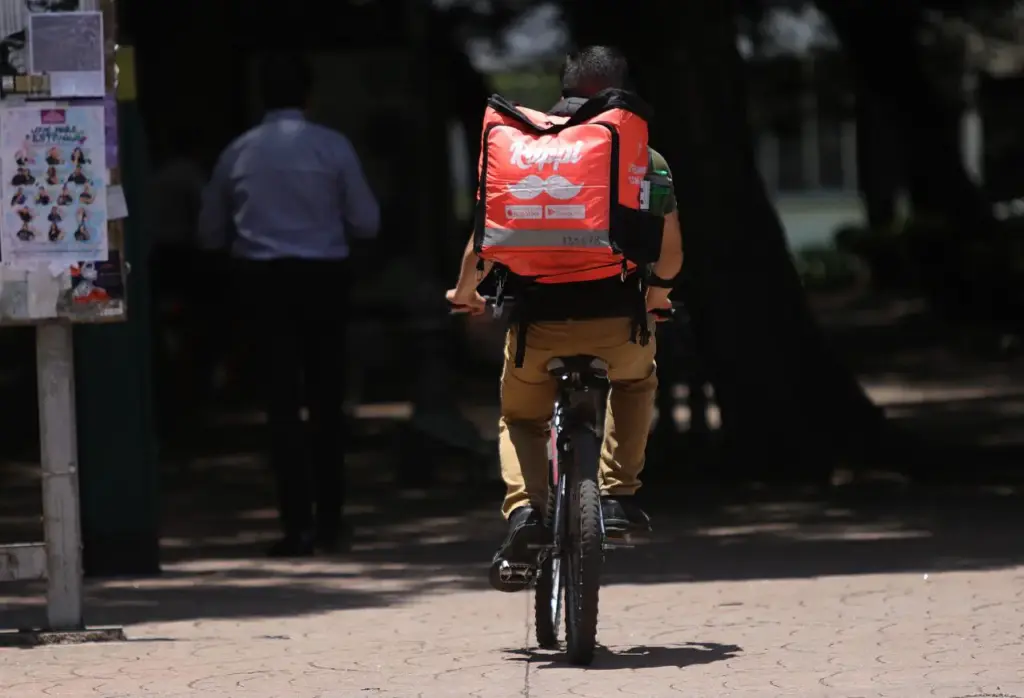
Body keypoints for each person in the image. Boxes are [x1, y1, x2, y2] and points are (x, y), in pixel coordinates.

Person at [445, 46, 684, 591]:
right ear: (622, 90)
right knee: (634, 381)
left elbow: (483, 240)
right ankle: (618, 496)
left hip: (539, 329)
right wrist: (659, 296)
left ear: (565, 88)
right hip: (618, 322)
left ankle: (527, 512)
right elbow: (669, 254)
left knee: (520, 419)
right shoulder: (644, 154)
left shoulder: (522, 146)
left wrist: (466, 294)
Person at [198, 53, 380, 558]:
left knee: (281, 406)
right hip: (323, 280)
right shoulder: (333, 147)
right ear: (309, 96)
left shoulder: (239, 152)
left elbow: (210, 229)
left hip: (262, 283)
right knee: (327, 400)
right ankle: (332, 521)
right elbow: (366, 221)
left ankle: (295, 525)